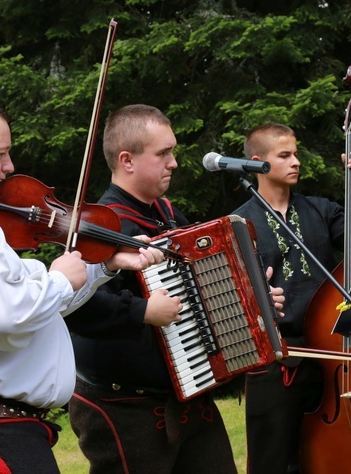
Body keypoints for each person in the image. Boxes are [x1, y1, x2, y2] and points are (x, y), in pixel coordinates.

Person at [0, 97, 163, 473]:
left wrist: (102, 266)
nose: (9, 167)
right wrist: (60, 280)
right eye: (0, 154)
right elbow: (3, 316)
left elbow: (35, 301)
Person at [65, 104, 285, 474]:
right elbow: (78, 306)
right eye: (163, 153)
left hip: (188, 392)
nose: (174, 162)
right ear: (127, 160)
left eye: (173, 151)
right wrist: (143, 311)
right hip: (123, 406)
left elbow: (202, 289)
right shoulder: (101, 225)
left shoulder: (166, 214)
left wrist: (255, 299)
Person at [232, 122, 351, 474]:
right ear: (258, 162)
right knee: (273, 462)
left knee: (327, 459)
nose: (296, 162)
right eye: (285, 155)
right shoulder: (238, 224)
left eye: (296, 153)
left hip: (330, 357)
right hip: (275, 363)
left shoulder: (321, 210)